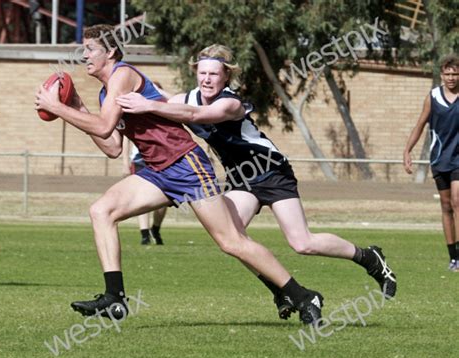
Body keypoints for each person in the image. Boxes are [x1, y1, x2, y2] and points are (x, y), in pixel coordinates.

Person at [35, 25, 324, 325]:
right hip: (157, 171)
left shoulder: (122, 75)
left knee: (231, 241)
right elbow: (111, 145)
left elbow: (103, 126)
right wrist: (76, 106)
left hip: (186, 165)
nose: (84, 56)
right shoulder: (106, 92)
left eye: (90, 49)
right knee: (101, 211)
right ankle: (114, 298)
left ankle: (302, 295)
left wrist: (57, 107)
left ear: (109, 52)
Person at [116, 44, 398, 319]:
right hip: (240, 179)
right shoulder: (186, 98)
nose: (207, 79)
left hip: (271, 171)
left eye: (214, 74)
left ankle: (368, 257)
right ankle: (281, 291)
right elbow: (162, 100)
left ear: (226, 75)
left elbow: (194, 115)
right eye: (202, 73)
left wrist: (148, 104)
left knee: (302, 243)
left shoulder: (230, 102)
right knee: (232, 241)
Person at [403, 54, 459, 272]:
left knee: (457, 201)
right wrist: (407, 150)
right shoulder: (433, 97)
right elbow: (419, 125)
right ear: (442, 74)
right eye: (448, 73)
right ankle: (453, 257)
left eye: (455, 73)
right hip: (439, 158)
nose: (452, 77)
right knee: (446, 207)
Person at [122, 136, 167, 245]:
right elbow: (126, 138)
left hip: (163, 158)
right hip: (140, 160)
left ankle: (155, 229)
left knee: (164, 200)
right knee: (142, 198)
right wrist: (125, 162)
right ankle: (145, 235)